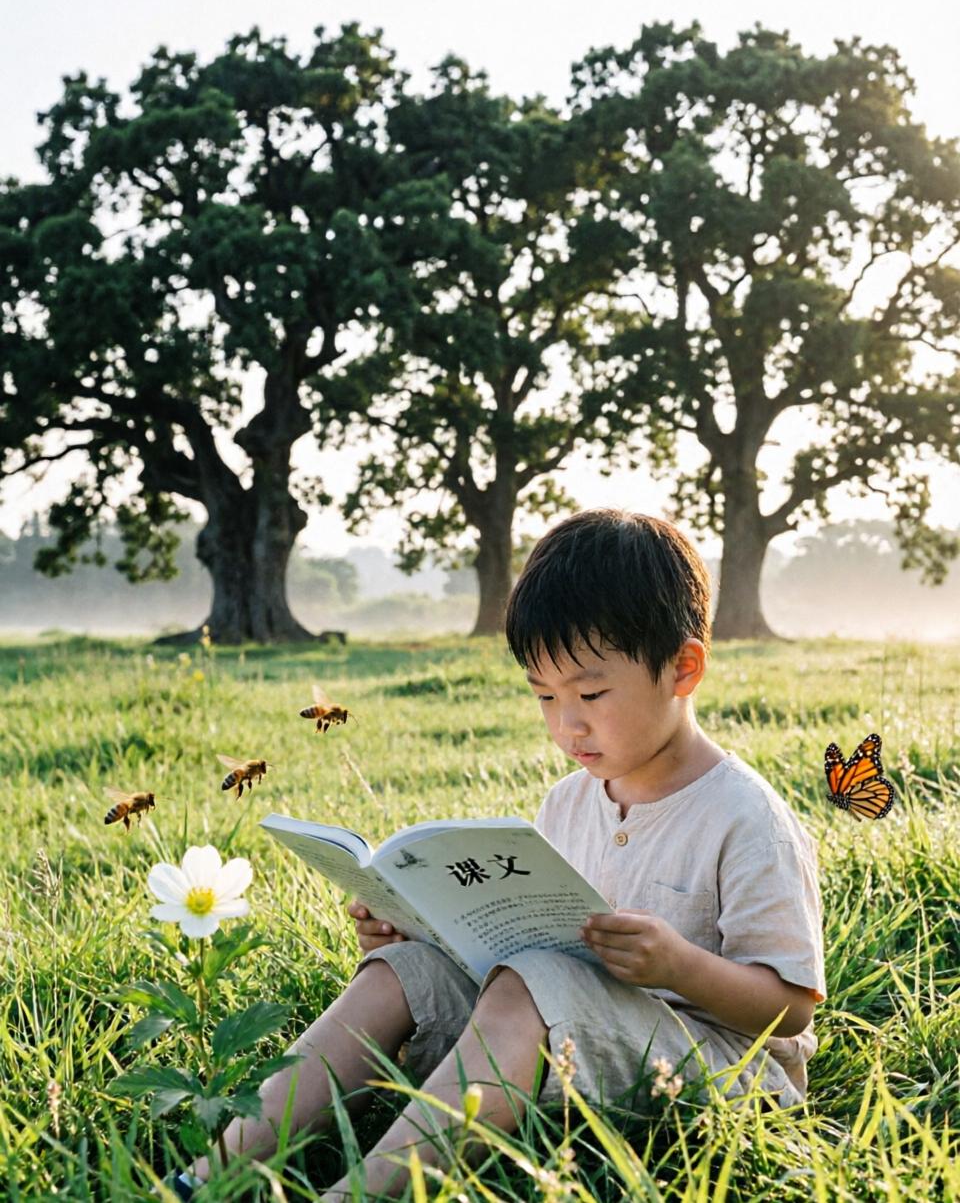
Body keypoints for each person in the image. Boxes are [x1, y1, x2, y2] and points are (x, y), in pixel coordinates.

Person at [168, 508, 826, 1200]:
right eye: (544, 696)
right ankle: (208, 1177)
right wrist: (415, 928)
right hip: (565, 1032)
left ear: (683, 668)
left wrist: (678, 965)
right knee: (404, 971)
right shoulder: (569, 802)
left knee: (530, 981)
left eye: (591, 693)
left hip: (718, 1072)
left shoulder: (745, 818)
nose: (567, 724)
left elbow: (790, 1011)